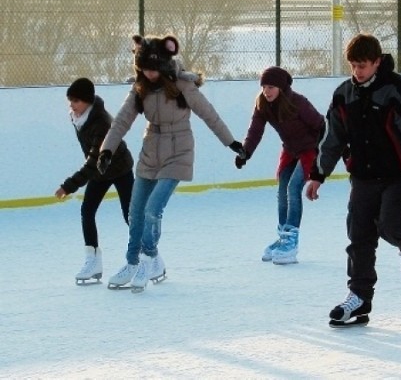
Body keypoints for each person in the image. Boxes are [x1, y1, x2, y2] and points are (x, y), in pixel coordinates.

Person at [97, 34, 245, 293]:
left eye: (152, 69)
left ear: (163, 65)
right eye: (143, 68)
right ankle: (132, 263)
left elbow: (209, 114)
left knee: (154, 209)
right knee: (136, 212)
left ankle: (148, 258)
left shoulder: (182, 85)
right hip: (151, 149)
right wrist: (106, 150)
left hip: (179, 151)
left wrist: (231, 142)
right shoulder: (140, 87)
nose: (148, 73)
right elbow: (121, 120)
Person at [305, 33, 401, 327]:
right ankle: (358, 298)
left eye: (363, 65)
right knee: (359, 236)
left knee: (392, 226)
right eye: (353, 66)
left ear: (376, 62)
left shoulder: (398, 90)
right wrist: (317, 175)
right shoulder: (343, 94)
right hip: (362, 177)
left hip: (396, 177)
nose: (357, 72)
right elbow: (331, 137)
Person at [235, 66, 324, 265]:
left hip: (311, 149)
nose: (267, 91)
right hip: (290, 150)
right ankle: (283, 236)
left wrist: (331, 150)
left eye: (271, 87)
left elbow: (321, 125)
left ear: (281, 88)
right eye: (264, 87)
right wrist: (245, 152)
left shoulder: (298, 102)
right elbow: (255, 130)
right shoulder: (263, 105)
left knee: (294, 188)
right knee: (282, 188)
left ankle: (291, 242)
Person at [55, 77, 134, 285]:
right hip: (100, 172)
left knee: (130, 215)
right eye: (70, 100)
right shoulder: (78, 117)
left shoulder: (101, 122)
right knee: (87, 210)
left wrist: (68, 186)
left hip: (119, 168)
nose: (71, 105)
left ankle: (149, 257)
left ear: (88, 101)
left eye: (76, 101)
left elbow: (92, 162)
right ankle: (93, 261)